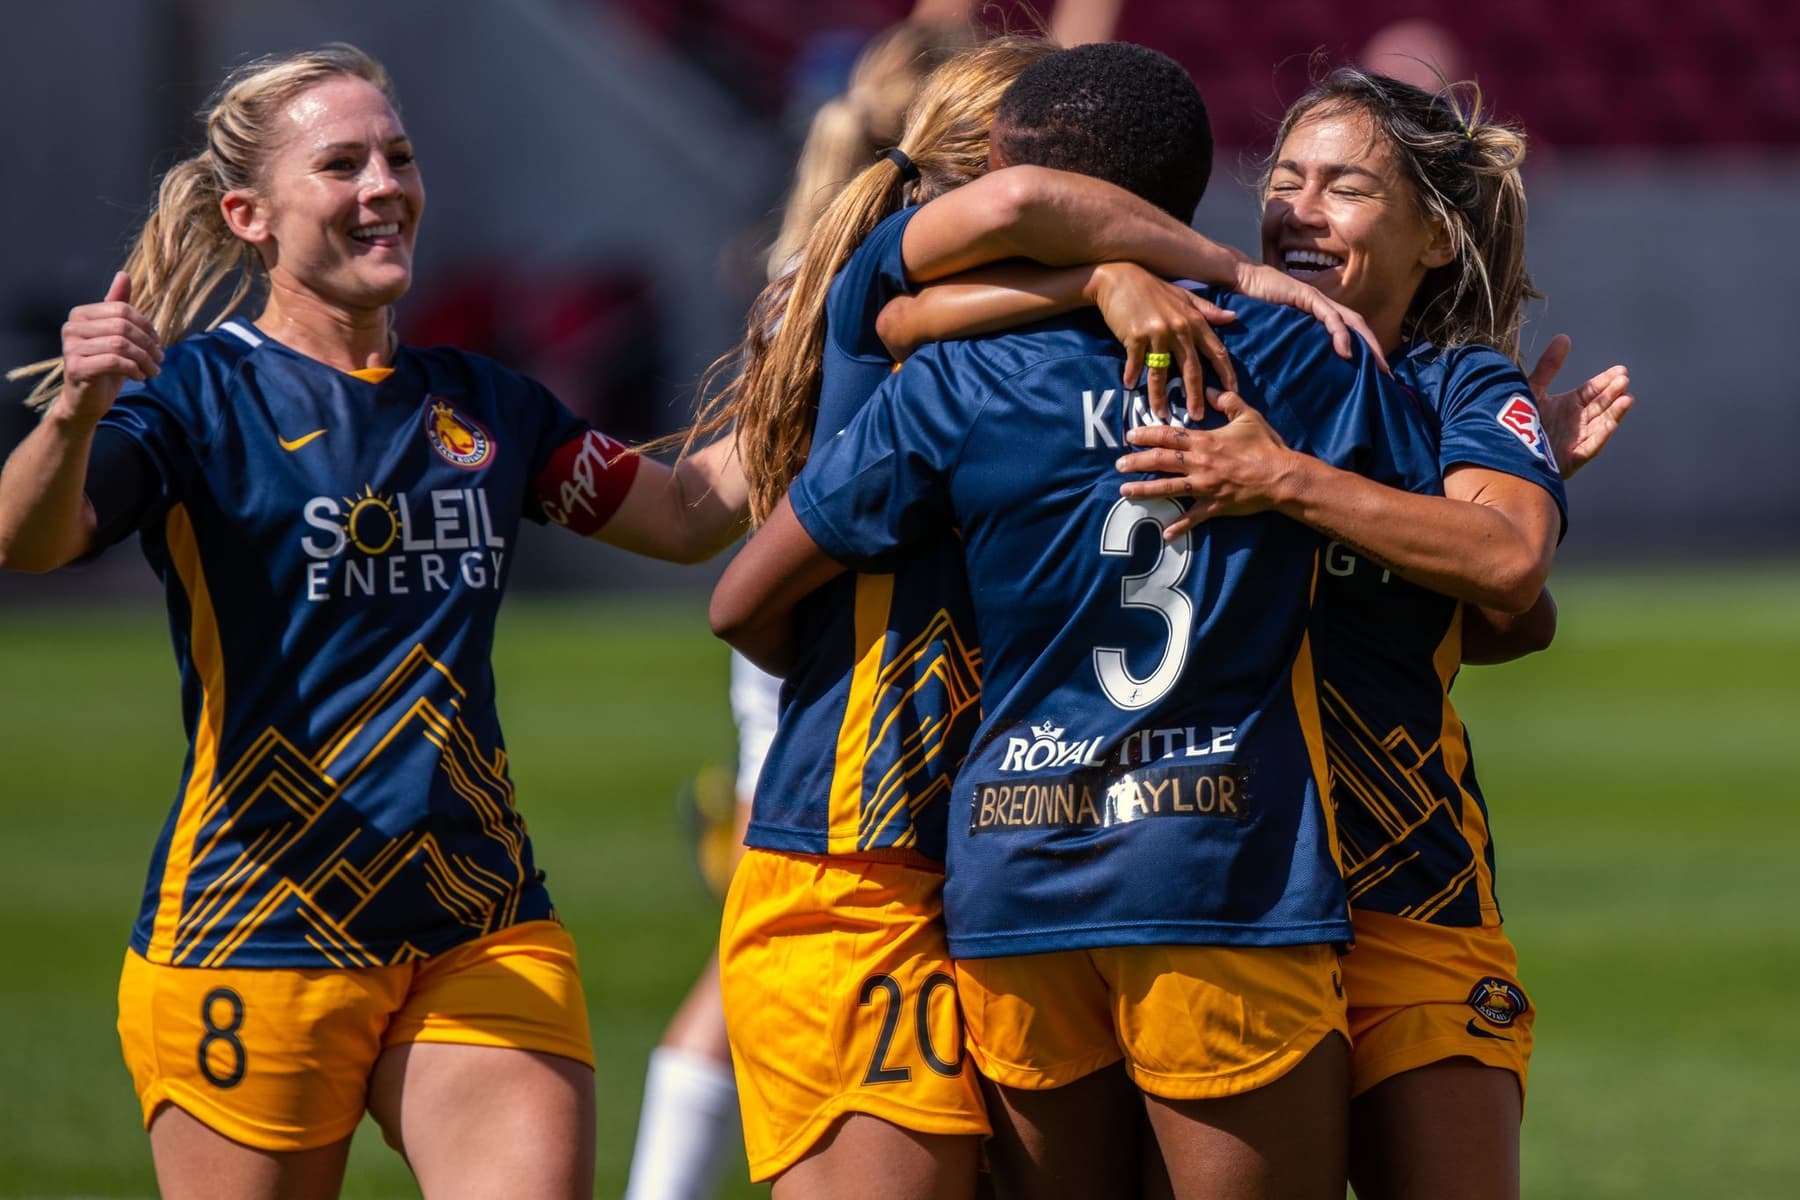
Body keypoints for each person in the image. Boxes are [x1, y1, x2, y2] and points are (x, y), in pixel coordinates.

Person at [0, 45, 747, 1199]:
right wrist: (72, 419)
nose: (382, 186)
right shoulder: (198, 396)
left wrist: (837, 365)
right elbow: (30, 539)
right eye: (341, 164)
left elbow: (689, 515)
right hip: (256, 931)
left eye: (396, 157)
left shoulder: (485, 402)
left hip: (480, 921)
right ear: (248, 214)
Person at [710, 42, 1451, 1200]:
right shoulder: (1297, 351)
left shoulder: (946, 368)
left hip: (1005, 860)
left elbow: (740, 599)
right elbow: (1473, 579)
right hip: (1210, 865)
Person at [1110, 68, 1632, 1199]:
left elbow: (1504, 574)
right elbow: (1498, 617)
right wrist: (1107, 269)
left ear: (1435, 241)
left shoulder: (1459, 385)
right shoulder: (1201, 354)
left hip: (1414, 893)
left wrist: (1292, 481)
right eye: (1286, 181)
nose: (1300, 210)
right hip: (1221, 892)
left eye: (1344, 189)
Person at [625, 21, 974, 1198]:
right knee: (769, 980)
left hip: (820, 677)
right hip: (846, 694)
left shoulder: (822, 259)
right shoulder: (874, 293)